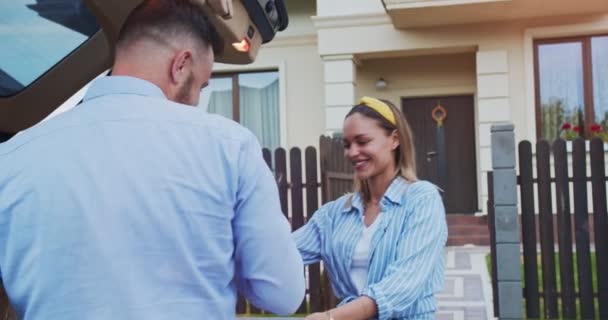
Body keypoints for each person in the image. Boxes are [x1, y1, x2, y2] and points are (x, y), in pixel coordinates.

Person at [0, 1, 305, 319]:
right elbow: (283, 294)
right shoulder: (231, 146)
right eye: (200, 86)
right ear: (181, 65)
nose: (198, 100)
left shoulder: (11, 158)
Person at [294, 97, 448, 320]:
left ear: (394, 140)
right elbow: (284, 253)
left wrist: (331, 317)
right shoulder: (335, 214)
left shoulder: (422, 200)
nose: (352, 152)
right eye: (347, 145)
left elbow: (403, 284)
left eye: (363, 141)